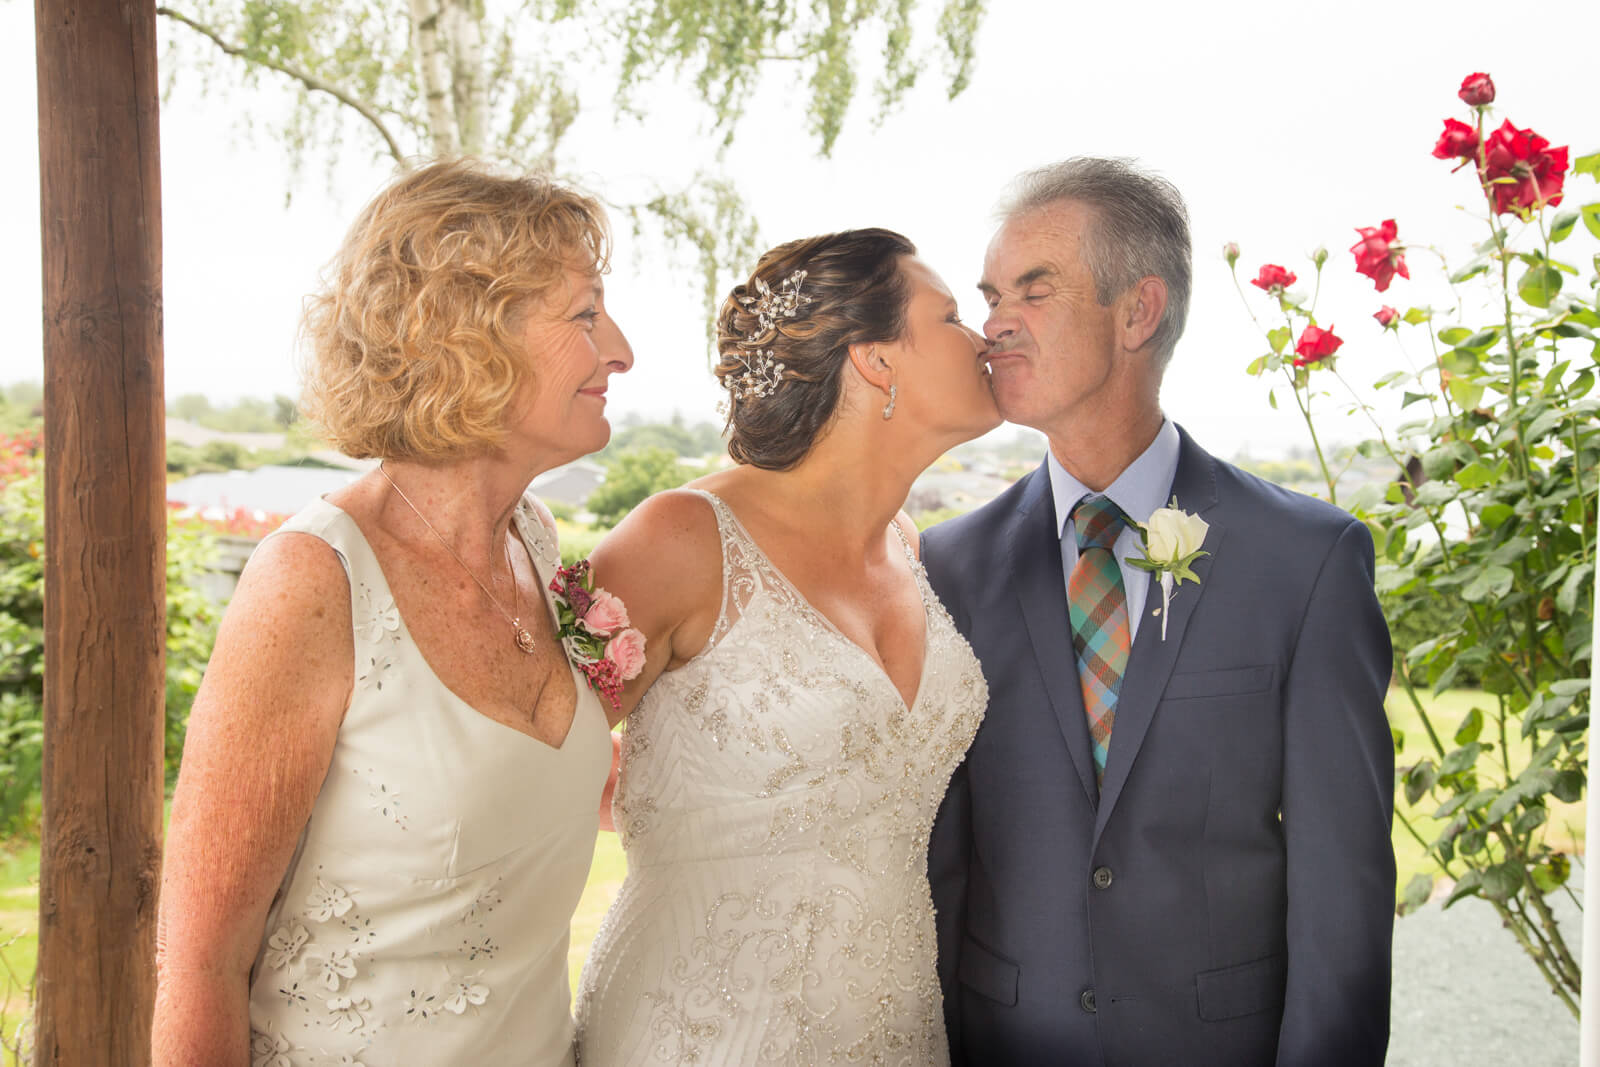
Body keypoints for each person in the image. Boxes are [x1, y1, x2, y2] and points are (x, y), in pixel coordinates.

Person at [152, 159, 634, 1066]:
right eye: (584, 314)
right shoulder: (312, 580)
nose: (620, 349)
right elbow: (199, 962)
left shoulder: (533, 540)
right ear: (465, 336)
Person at [924, 158, 1395, 1066]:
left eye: (1035, 289)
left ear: (1138, 310)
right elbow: (937, 870)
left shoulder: (1307, 561)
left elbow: (1344, 891)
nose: (994, 324)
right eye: (990, 295)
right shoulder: (948, 568)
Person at [573, 229, 998, 1065]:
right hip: (701, 1029)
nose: (982, 338)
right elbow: (529, 765)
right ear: (876, 359)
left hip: (894, 1025)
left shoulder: (907, 547)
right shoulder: (680, 539)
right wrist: (690, 822)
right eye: (950, 316)